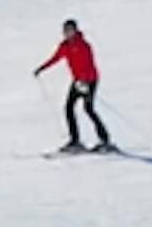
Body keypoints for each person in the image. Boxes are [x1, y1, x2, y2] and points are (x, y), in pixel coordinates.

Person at [33, 19, 111, 152]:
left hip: (90, 80)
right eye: (65, 31)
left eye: (70, 30)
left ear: (75, 30)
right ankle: (75, 141)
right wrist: (41, 68)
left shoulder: (84, 46)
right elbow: (55, 58)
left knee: (88, 109)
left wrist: (85, 82)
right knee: (69, 108)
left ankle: (105, 140)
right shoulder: (65, 46)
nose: (68, 33)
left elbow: (89, 65)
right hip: (78, 81)